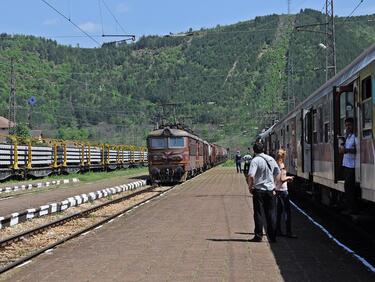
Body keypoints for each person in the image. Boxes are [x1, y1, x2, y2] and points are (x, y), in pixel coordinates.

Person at [247, 142, 280, 243]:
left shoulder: (255, 160)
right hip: (270, 191)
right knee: (271, 214)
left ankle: (258, 235)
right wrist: (275, 187)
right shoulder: (271, 159)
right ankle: (273, 237)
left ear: (254, 150)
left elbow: (251, 175)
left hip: (259, 191)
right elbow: (277, 173)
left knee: (258, 213)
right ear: (263, 149)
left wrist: (250, 187)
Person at [275, 149, 297, 238]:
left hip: (277, 190)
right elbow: (282, 179)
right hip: (283, 191)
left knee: (279, 212)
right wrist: (289, 178)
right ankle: (289, 232)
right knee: (287, 212)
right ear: (283, 156)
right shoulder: (282, 166)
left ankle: (278, 230)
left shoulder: (275, 165)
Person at [339, 117, 357, 215]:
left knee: (350, 188)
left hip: (352, 166)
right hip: (346, 165)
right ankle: (349, 207)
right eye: (346, 125)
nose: (347, 127)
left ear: (353, 125)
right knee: (347, 187)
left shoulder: (355, 136)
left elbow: (356, 150)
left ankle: (352, 209)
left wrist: (345, 150)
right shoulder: (348, 137)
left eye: (349, 125)